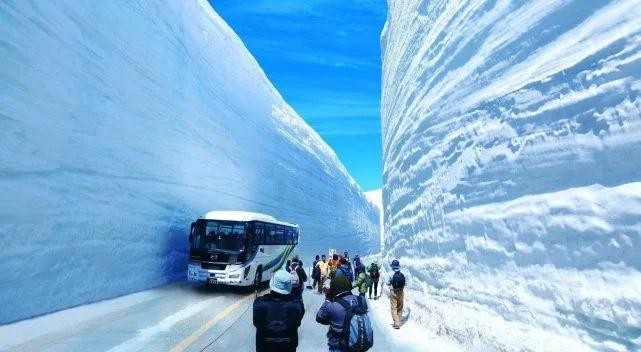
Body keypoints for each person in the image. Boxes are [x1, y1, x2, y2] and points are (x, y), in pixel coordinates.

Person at [253, 270, 305, 352]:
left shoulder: (259, 303)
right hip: (288, 346)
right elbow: (297, 322)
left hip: (264, 346)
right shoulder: (297, 304)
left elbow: (256, 323)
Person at [316, 276, 369, 352]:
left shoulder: (333, 306)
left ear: (334, 289)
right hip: (358, 345)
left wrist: (328, 299)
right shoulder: (362, 300)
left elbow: (319, 317)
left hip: (339, 346)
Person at [386, 259, 406, 329]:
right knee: (400, 306)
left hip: (393, 291)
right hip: (401, 291)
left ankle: (396, 323)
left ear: (392, 266)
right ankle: (399, 320)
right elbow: (405, 283)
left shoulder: (390, 273)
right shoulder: (402, 273)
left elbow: (387, 283)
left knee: (393, 307)